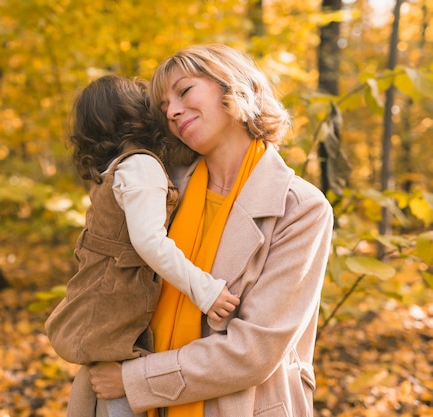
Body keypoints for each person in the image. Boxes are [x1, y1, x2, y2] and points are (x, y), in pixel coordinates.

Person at [76, 45, 334, 417]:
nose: (173, 111)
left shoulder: (301, 208)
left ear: (231, 87)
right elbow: (103, 281)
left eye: (183, 91)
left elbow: (254, 351)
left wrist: (135, 381)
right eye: (163, 107)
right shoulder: (159, 185)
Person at [44, 74, 241, 417]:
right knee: (119, 398)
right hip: (115, 310)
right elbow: (150, 241)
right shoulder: (141, 165)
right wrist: (205, 291)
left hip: (103, 305)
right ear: (135, 113)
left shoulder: (117, 168)